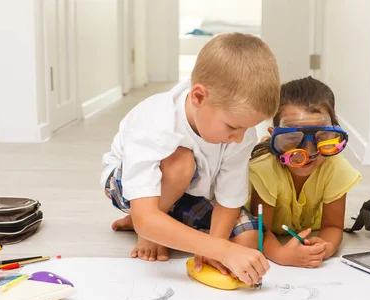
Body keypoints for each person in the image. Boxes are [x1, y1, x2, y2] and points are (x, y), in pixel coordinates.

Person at [101, 33, 280, 285]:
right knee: (180, 164)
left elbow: (229, 198)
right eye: (232, 127)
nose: (239, 138)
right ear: (198, 97)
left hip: (192, 192)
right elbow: (150, 210)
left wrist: (215, 246)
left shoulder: (240, 132)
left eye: (246, 129)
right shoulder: (156, 120)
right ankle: (149, 222)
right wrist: (219, 250)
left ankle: (161, 220)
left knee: (246, 237)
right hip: (127, 185)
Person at [248, 77, 361, 268]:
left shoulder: (336, 168)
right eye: (292, 138)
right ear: (274, 135)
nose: (308, 152)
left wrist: (324, 246)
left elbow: (332, 227)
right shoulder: (265, 169)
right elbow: (260, 231)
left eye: (322, 137)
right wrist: (281, 255)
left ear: (334, 133)